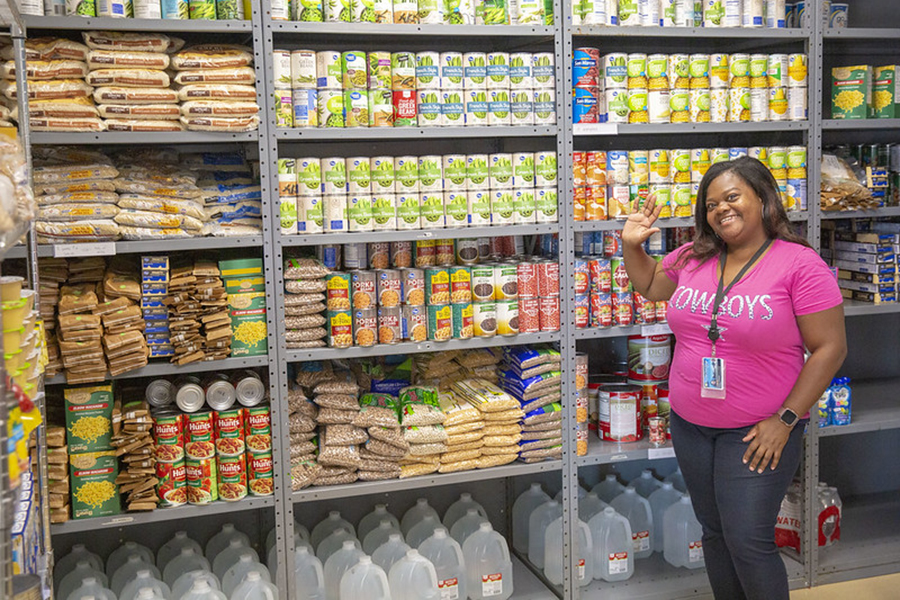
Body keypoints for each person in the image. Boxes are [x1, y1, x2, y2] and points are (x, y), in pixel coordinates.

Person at [622, 157, 847, 600]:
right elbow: (649, 285)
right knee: (715, 533)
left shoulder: (799, 265)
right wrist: (632, 245)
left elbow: (831, 348)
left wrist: (785, 420)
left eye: (731, 197)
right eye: (710, 204)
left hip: (758, 432)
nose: (720, 209)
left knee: (748, 540)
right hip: (690, 425)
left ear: (763, 199)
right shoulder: (693, 256)